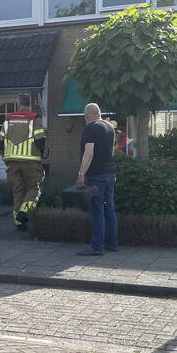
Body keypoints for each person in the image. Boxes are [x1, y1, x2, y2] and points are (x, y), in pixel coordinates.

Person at [0, 93, 46, 231]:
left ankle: (18, 223)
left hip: (12, 162)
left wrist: (5, 158)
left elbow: (0, 143)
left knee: (18, 190)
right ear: (29, 104)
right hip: (31, 162)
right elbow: (40, 141)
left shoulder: (7, 120)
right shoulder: (33, 119)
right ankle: (24, 212)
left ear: (18, 104)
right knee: (34, 188)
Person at [76, 103, 118, 256]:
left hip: (96, 176)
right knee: (109, 208)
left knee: (97, 209)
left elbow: (89, 153)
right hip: (110, 174)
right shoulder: (109, 127)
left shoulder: (90, 128)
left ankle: (96, 247)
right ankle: (112, 243)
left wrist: (81, 174)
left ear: (86, 116)